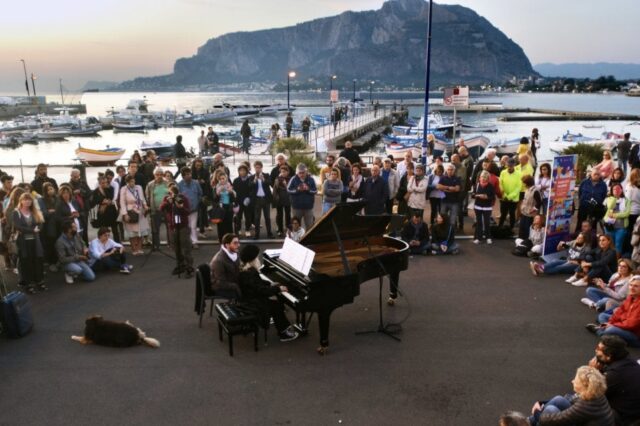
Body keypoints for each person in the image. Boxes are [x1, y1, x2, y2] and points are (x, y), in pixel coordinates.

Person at [237, 244, 299, 341]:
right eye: (256, 256)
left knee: (275, 300)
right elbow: (261, 290)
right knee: (276, 305)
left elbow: (257, 285)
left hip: (248, 298)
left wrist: (270, 284)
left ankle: (276, 320)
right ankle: (284, 333)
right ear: (252, 259)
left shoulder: (244, 268)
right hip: (252, 303)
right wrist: (278, 289)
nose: (258, 258)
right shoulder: (249, 273)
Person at [528, 366, 614, 426]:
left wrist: (536, 411)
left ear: (584, 386)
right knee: (559, 400)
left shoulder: (585, 406)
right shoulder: (596, 393)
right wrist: (541, 403)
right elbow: (570, 399)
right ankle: (528, 422)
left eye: (576, 380)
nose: (572, 381)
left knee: (550, 410)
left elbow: (557, 419)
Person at [588, 335, 640, 424]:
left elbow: (589, 393)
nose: (595, 350)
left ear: (609, 356)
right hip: (632, 412)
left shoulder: (614, 374)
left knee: (560, 403)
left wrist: (592, 371)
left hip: (618, 417)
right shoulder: (629, 362)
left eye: (598, 348)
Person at [586, 276, 640, 347]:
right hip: (624, 324)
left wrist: (613, 325)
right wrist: (610, 322)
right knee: (602, 316)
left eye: (636, 286)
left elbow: (631, 324)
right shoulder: (631, 297)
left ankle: (600, 332)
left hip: (636, 335)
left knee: (611, 329)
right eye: (631, 285)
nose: (632, 288)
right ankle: (612, 336)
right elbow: (620, 312)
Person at [13, 193, 46, 293]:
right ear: (21, 201)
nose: (27, 201)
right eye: (25, 199)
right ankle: (28, 285)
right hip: (23, 242)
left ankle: (39, 281)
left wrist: (38, 229)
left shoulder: (34, 212)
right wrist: (32, 230)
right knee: (26, 263)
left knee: (37, 261)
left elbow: (40, 224)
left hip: (35, 241)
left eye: (29, 200)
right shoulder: (16, 212)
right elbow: (18, 227)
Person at [160, 185, 194, 277]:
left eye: (174, 192)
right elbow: (161, 208)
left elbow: (187, 212)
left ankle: (189, 267)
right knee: (176, 248)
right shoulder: (166, 198)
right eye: (170, 192)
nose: (172, 194)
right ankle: (180, 265)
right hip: (173, 226)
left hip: (183, 226)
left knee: (186, 247)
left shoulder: (183, 198)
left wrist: (180, 207)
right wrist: (168, 202)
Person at [119, 174, 150, 256]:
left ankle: (140, 248)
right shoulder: (124, 189)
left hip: (140, 211)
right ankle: (134, 249)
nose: (133, 183)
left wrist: (145, 205)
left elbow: (142, 198)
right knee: (132, 232)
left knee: (141, 231)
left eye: (134, 181)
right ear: (127, 182)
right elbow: (122, 202)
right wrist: (125, 214)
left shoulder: (139, 187)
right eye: (131, 182)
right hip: (130, 211)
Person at [177, 166, 202, 247]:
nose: (190, 175)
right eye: (187, 174)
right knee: (186, 226)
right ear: (183, 176)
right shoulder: (179, 185)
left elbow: (200, 194)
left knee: (193, 226)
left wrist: (197, 202)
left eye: (190, 173)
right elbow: (177, 197)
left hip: (194, 209)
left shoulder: (196, 183)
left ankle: (195, 242)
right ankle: (187, 241)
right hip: (184, 210)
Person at [602, 183, 630, 255]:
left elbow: (626, 213)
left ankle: (617, 263)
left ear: (621, 190)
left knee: (618, 245)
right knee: (609, 245)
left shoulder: (627, 200)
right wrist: (614, 199)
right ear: (611, 190)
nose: (616, 190)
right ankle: (609, 261)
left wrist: (615, 215)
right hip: (609, 227)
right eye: (614, 189)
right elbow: (607, 212)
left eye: (618, 189)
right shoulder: (607, 199)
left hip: (621, 227)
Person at [145, 167, 168, 251]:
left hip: (167, 209)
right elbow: (147, 197)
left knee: (169, 228)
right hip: (155, 210)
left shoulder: (167, 183)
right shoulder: (150, 185)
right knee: (155, 229)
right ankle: (156, 246)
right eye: (157, 174)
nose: (159, 176)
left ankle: (171, 244)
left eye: (161, 174)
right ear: (154, 175)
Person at [91, 175, 120, 243]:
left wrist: (104, 204)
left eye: (106, 182)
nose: (105, 184)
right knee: (103, 230)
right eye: (103, 183)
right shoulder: (95, 191)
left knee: (115, 229)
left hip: (111, 211)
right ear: (99, 183)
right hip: (101, 213)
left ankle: (117, 244)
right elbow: (94, 202)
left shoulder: (111, 188)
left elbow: (111, 199)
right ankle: (103, 243)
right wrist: (103, 201)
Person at [287, 163, 317, 230]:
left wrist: (308, 189)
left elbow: (315, 191)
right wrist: (297, 190)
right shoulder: (293, 179)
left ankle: (309, 240)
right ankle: (296, 240)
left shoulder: (311, 179)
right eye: (300, 173)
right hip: (296, 207)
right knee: (295, 226)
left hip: (308, 207)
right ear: (297, 172)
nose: (301, 174)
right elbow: (288, 190)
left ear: (306, 172)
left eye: (303, 172)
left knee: (310, 226)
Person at [249, 161, 273, 239]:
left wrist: (263, 179)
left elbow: (270, 183)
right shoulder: (252, 177)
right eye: (256, 167)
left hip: (265, 199)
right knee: (257, 218)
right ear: (254, 168)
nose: (258, 169)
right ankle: (257, 235)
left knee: (267, 218)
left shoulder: (266, 175)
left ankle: (269, 233)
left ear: (261, 168)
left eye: (259, 167)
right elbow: (249, 186)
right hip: (257, 200)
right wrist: (255, 180)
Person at [68, 168, 92, 243]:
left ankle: (85, 244)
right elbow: (65, 197)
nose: (76, 178)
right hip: (74, 209)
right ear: (71, 176)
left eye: (77, 177)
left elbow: (89, 193)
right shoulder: (68, 185)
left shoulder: (83, 183)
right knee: (76, 227)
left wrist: (81, 192)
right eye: (74, 177)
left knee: (85, 228)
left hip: (84, 208)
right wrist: (73, 193)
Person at [472, 171, 496, 244]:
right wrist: (476, 196)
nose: (483, 179)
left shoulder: (491, 186)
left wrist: (486, 197)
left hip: (487, 207)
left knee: (487, 222)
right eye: (482, 177)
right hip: (478, 206)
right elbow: (473, 195)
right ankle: (478, 238)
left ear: (488, 179)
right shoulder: (477, 185)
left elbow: (493, 197)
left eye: (485, 177)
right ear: (480, 178)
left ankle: (488, 237)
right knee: (479, 222)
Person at [499, 158, 522, 230]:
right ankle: (500, 226)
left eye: (511, 166)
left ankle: (511, 228)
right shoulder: (503, 172)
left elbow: (518, 187)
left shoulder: (519, 173)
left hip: (513, 199)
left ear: (514, 165)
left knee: (512, 213)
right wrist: (505, 195)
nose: (509, 167)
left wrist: (509, 197)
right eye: (508, 165)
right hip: (504, 197)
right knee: (503, 213)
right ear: (506, 165)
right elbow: (500, 184)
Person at [212, 173, 235, 243]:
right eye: (220, 179)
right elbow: (214, 199)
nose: (222, 180)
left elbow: (233, 199)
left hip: (228, 208)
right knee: (220, 224)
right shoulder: (216, 187)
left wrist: (231, 193)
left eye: (223, 178)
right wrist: (218, 194)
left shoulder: (229, 186)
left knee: (229, 224)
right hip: (220, 208)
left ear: (226, 178)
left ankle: (230, 239)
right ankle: (221, 239)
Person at [519, 175, 542, 240]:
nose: (522, 184)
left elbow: (539, 202)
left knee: (527, 228)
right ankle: (521, 240)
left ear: (527, 183)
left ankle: (527, 241)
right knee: (522, 227)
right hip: (524, 212)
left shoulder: (535, 191)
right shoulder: (527, 190)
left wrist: (533, 209)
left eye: (523, 182)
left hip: (531, 214)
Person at [232, 164, 253, 237]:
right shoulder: (236, 180)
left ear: (247, 171)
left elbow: (252, 190)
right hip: (238, 201)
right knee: (238, 217)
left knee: (248, 216)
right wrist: (235, 201)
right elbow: (234, 191)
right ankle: (239, 229)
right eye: (240, 170)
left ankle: (247, 230)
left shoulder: (250, 179)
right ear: (238, 172)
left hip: (247, 201)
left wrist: (249, 198)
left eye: (244, 170)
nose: (242, 172)